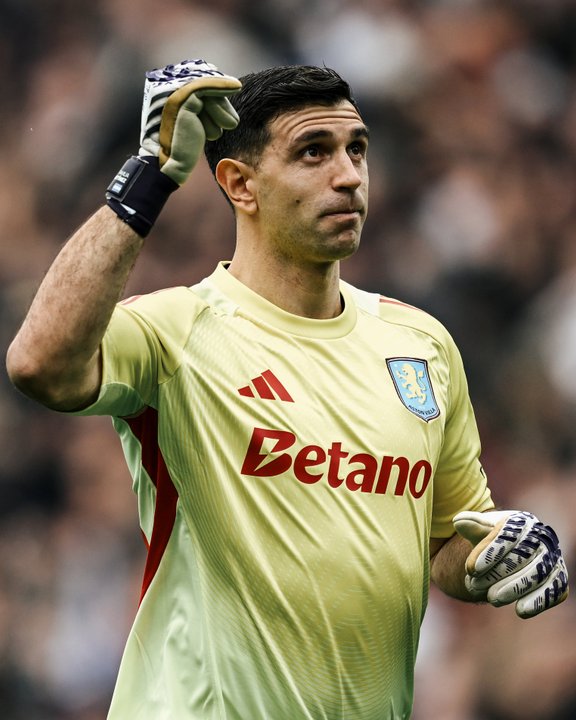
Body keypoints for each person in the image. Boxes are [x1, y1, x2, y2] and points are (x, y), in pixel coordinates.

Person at [6, 59, 569, 720]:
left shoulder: (421, 345)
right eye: (313, 152)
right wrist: (150, 175)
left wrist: (498, 549)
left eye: (356, 149)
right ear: (239, 184)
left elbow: (447, 542)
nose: (349, 175)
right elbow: (39, 364)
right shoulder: (178, 329)